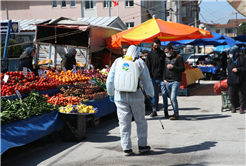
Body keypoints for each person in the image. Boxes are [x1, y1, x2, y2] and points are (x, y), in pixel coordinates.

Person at [106, 45, 154, 156]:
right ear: (137, 53)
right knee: (140, 120)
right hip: (136, 96)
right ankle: (142, 146)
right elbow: (147, 80)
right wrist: (151, 94)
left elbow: (110, 79)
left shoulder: (118, 61)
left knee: (123, 122)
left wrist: (111, 93)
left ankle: (126, 148)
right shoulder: (140, 62)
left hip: (120, 96)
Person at [163, 45, 185, 120]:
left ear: (171, 50)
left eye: (167, 52)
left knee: (173, 98)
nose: (166, 53)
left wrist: (173, 67)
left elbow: (182, 69)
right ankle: (174, 113)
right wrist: (164, 79)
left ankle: (176, 114)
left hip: (176, 80)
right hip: (167, 81)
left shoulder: (179, 58)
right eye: (165, 52)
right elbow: (164, 69)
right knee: (171, 98)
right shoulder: (165, 58)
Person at [146, 38, 166, 117]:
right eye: (155, 44)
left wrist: (165, 77)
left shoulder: (163, 53)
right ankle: (154, 110)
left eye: (158, 44)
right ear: (153, 44)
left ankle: (166, 111)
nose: (156, 45)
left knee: (164, 93)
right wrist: (148, 76)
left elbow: (164, 66)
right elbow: (148, 65)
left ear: (160, 45)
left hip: (161, 77)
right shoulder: (150, 54)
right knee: (154, 95)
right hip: (153, 77)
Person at [227, 49, 246, 114]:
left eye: (230, 53)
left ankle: (241, 107)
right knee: (231, 94)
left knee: (241, 95)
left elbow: (245, 68)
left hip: (240, 80)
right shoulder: (230, 60)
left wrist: (238, 69)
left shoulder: (242, 58)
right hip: (231, 80)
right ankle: (233, 107)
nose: (230, 54)